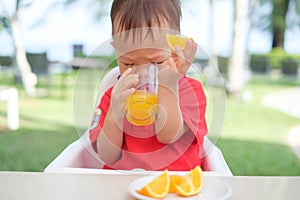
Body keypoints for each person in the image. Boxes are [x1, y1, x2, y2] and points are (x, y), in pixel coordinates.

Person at [89, 0, 207, 171]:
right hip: (121, 186)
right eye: (128, 63)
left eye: (156, 61)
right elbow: (107, 156)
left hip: (172, 188)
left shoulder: (190, 92)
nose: (142, 72)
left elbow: (168, 135)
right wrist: (115, 114)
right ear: (116, 50)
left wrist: (168, 84)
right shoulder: (113, 96)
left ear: (175, 50)